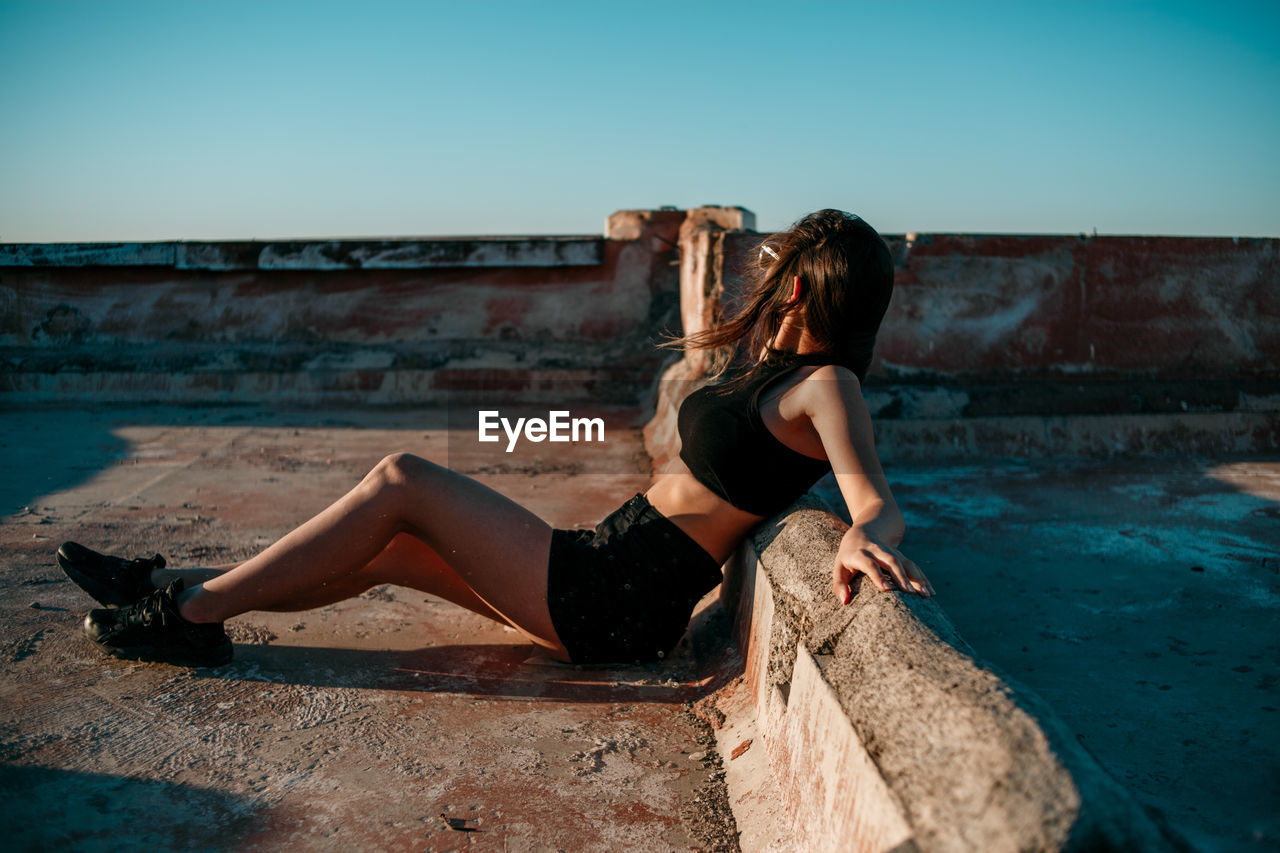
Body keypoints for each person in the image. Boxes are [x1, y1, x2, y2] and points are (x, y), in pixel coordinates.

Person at [56, 209, 934, 668]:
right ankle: (179, 591)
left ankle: (181, 613)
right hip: (604, 561)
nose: (774, 279)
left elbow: (874, 501)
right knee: (381, 551)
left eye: (788, 270)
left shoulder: (830, 388)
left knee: (402, 478)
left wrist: (864, 537)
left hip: (619, 597)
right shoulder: (773, 365)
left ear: (808, 287)